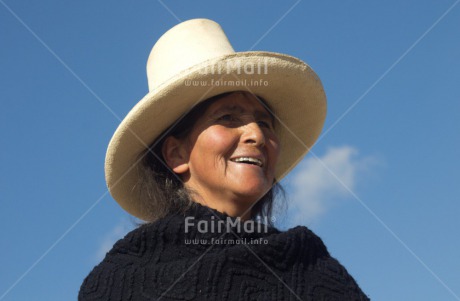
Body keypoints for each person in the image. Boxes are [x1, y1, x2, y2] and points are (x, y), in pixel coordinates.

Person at [79, 19, 369, 300]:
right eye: (228, 117)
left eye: (265, 123)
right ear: (176, 154)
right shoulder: (118, 282)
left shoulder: (312, 267)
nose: (256, 134)